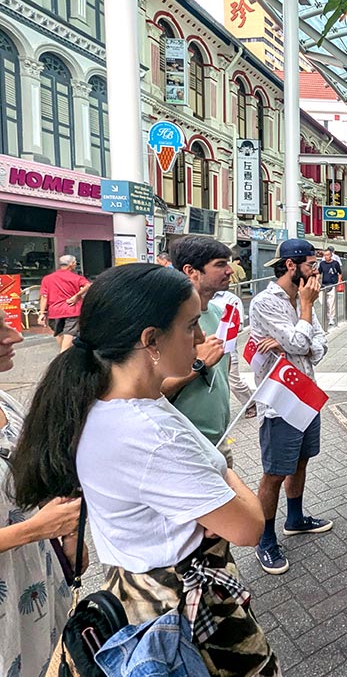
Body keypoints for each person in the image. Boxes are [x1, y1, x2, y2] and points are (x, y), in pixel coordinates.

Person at [8, 264, 278, 674]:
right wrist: (218, 468)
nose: (202, 338)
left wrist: (204, 481)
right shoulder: (150, 436)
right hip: (185, 613)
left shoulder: (102, 402)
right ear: (150, 340)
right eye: (190, 326)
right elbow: (249, 525)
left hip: (134, 588)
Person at [0, 313, 82, 677]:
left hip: (36, 584)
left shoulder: (4, 401)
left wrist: (67, 532)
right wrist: (36, 529)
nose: (15, 336)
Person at [249, 239, 331, 575]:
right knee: (274, 471)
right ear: (291, 266)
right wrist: (304, 319)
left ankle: (295, 518)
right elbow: (300, 341)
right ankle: (264, 538)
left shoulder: (305, 298)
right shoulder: (266, 303)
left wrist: (298, 342)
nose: (317, 272)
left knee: (301, 460)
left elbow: (319, 345)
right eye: (311, 265)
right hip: (280, 398)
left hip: (307, 392)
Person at [163, 237, 237, 464]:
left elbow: (223, 372)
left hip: (219, 439)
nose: (230, 271)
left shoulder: (218, 313)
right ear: (191, 271)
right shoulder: (167, 318)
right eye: (220, 264)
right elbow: (151, 389)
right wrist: (199, 365)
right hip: (183, 445)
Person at [210, 286, 257, 419]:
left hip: (226, 348)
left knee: (234, 381)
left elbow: (238, 325)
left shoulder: (230, 299)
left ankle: (251, 403)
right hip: (205, 350)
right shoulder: (198, 297)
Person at [38, 255, 90, 351]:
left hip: (54, 311)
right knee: (69, 333)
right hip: (72, 309)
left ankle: (63, 353)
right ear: (71, 264)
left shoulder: (47, 278)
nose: (75, 264)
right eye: (74, 262)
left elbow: (44, 296)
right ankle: (63, 354)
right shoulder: (76, 278)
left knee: (58, 332)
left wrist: (41, 313)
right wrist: (77, 296)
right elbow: (88, 285)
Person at [318, 248, 342, 324]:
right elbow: (319, 272)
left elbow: (340, 273)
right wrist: (317, 281)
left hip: (333, 284)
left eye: (327, 255)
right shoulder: (322, 264)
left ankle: (331, 317)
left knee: (331, 302)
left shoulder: (335, 263)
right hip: (324, 284)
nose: (326, 257)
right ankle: (328, 314)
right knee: (322, 301)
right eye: (325, 255)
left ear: (331, 255)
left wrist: (338, 281)